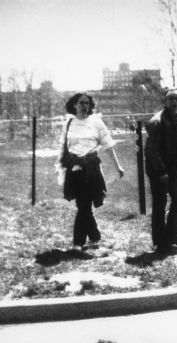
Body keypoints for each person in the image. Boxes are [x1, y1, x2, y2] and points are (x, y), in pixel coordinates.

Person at [59, 92, 125, 252]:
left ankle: (79, 243)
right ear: (74, 104)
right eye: (81, 103)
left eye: (87, 103)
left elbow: (108, 146)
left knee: (84, 206)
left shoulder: (96, 123)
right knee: (83, 206)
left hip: (91, 168)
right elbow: (63, 148)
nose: (84, 106)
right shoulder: (68, 123)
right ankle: (94, 236)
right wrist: (62, 168)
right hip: (74, 169)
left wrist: (118, 167)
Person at [145, 90, 177, 254]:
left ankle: (173, 236)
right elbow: (152, 150)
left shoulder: (174, 117)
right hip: (159, 169)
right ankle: (160, 242)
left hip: (172, 168)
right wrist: (161, 171)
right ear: (165, 101)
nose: (174, 101)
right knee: (159, 204)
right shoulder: (158, 121)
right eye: (170, 99)